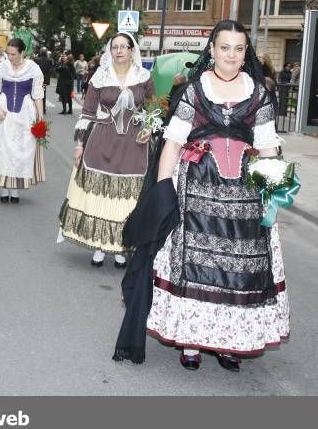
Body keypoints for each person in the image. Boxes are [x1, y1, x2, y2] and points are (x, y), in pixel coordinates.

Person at [115, 19, 288, 371]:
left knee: (240, 267)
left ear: (245, 53)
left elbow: (268, 147)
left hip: (244, 193)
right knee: (193, 264)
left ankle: (229, 344)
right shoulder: (194, 91)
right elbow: (174, 142)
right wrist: (164, 189)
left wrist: (274, 196)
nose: (231, 55)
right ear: (211, 50)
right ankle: (191, 340)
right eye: (225, 48)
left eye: (239, 49)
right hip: (196, 187)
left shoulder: (258, 93)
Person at [58, 32, 153, 268]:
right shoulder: (99, 77)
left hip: (134, 144)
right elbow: (87, 113)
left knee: (129, 198)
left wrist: (151, 128)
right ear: (110, 52)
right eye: (115, 47)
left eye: (124, 47)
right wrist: (79, 144)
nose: (119, 50)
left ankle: (122, 247)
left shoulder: (144, 77)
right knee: (100, 194)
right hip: (102, 140)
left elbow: (154, 109)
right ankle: (100, 245)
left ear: (132, 50)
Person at [0, 37, 45, 203]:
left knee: (21, 150)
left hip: (25, 114)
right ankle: (3, 189)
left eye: (13, 54)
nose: (10, 57)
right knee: (2, 149)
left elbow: (37, 96)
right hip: (4, 113)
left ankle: (14, 190)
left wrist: (41, 118)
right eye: (8, 53)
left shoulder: (33, 69)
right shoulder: (2, 67)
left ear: (22, 52)